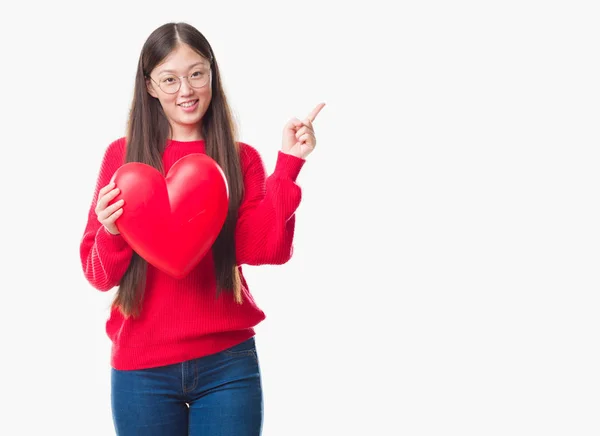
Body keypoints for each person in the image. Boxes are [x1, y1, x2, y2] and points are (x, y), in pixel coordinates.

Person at [79, 21, 324, 435]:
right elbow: (98, 275)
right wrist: (112, 231)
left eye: (196, 74)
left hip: (227, 365)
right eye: (169, 79)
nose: (185, 90)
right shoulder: (121, 158)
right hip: (142, 370)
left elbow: (267, 249)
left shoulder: (240, 158)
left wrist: (288, 163)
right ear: (151, 86)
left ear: (212, 72)